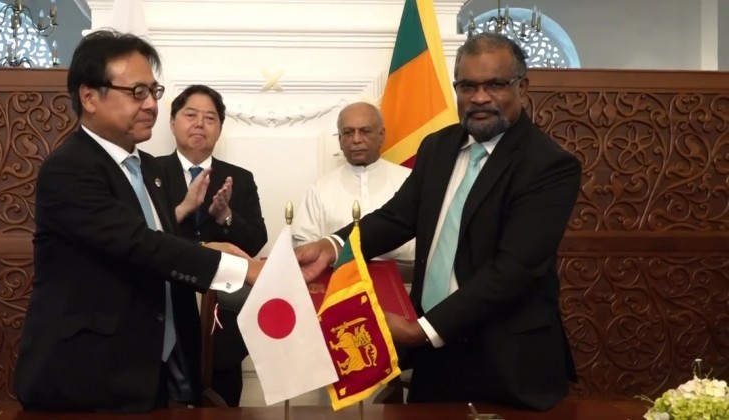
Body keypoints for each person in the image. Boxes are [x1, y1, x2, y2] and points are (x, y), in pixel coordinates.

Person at [296, 33, 580, 411]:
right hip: (434, 355)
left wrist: (422, 330)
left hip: (506, 360)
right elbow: (397, 218)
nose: (480, 97)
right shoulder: (438, 146)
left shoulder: (548, 165)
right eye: (468, 86)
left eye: (495, 85)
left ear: (521, 87)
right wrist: (332, 246)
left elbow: (514, 271)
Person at [13, 30, 262, 413]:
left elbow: (156, 241)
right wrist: (243, 269)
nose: (150, 105)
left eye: (153, 91)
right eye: (136, 92)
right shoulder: (70, 168)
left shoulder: (147, 168)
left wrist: (206, 247)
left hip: (153, 371)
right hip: (87, 376)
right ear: (89, 96)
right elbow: (138, 245)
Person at [159, 84, 267, 406]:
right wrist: (185, 212)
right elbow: (141, 236)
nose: (199, 124)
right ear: (173, 122)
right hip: (166, 306)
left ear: (219, 128)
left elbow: (256, 241)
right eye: (190, 115)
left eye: (209, 118)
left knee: (223, 399)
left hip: (223, 314)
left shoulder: (239, 178)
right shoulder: (150, 171)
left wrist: (225, 216)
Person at [291, 102, 414, 263]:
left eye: (365, 131)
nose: (356, 140)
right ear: (340, 140)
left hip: (403, 276)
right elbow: (305, 246)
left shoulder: (409, 180)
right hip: (338, 277)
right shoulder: (321, 188)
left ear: (381, 135)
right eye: (348, 133)